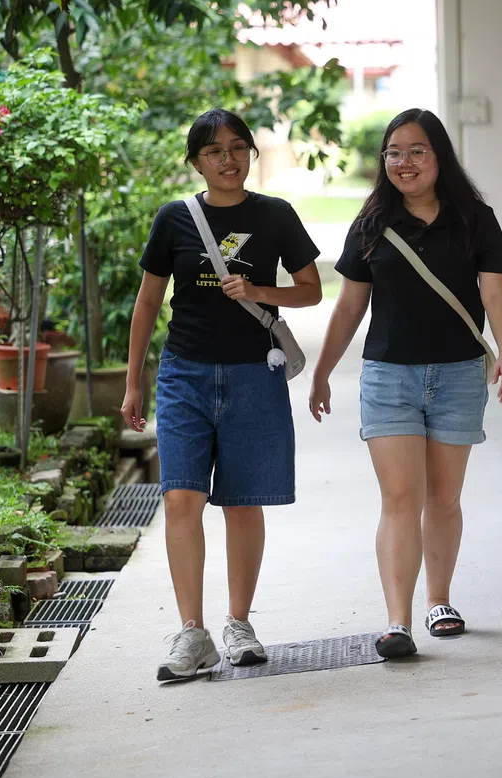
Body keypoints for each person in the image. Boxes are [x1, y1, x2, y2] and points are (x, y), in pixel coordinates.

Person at [310, 108, 502, 659]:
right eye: (394, 153)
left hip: (456, 375)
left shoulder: (476, 218)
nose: (404, 163)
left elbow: (495, 293)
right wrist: (323, 370)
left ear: (439, 156)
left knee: (444, 498)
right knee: (401, 497)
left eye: (417, 151)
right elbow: (350, 305)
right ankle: (397, 622)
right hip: (388, 376)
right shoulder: (371, 223)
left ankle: (440, 600)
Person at [122, 108, 322, 681]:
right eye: (214, 151)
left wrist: (258, 289)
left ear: (251, 155)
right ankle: (192, 633)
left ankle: (238, 624)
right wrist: (134, 380)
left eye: (238, 148)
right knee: (182, 498)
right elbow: (146, 302)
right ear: (196, 161)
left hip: (254, 373)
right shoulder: (175, 219)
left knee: (241, 501)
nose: (228, 160)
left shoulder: (275, 215)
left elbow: (309, 292)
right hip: (184, 373)